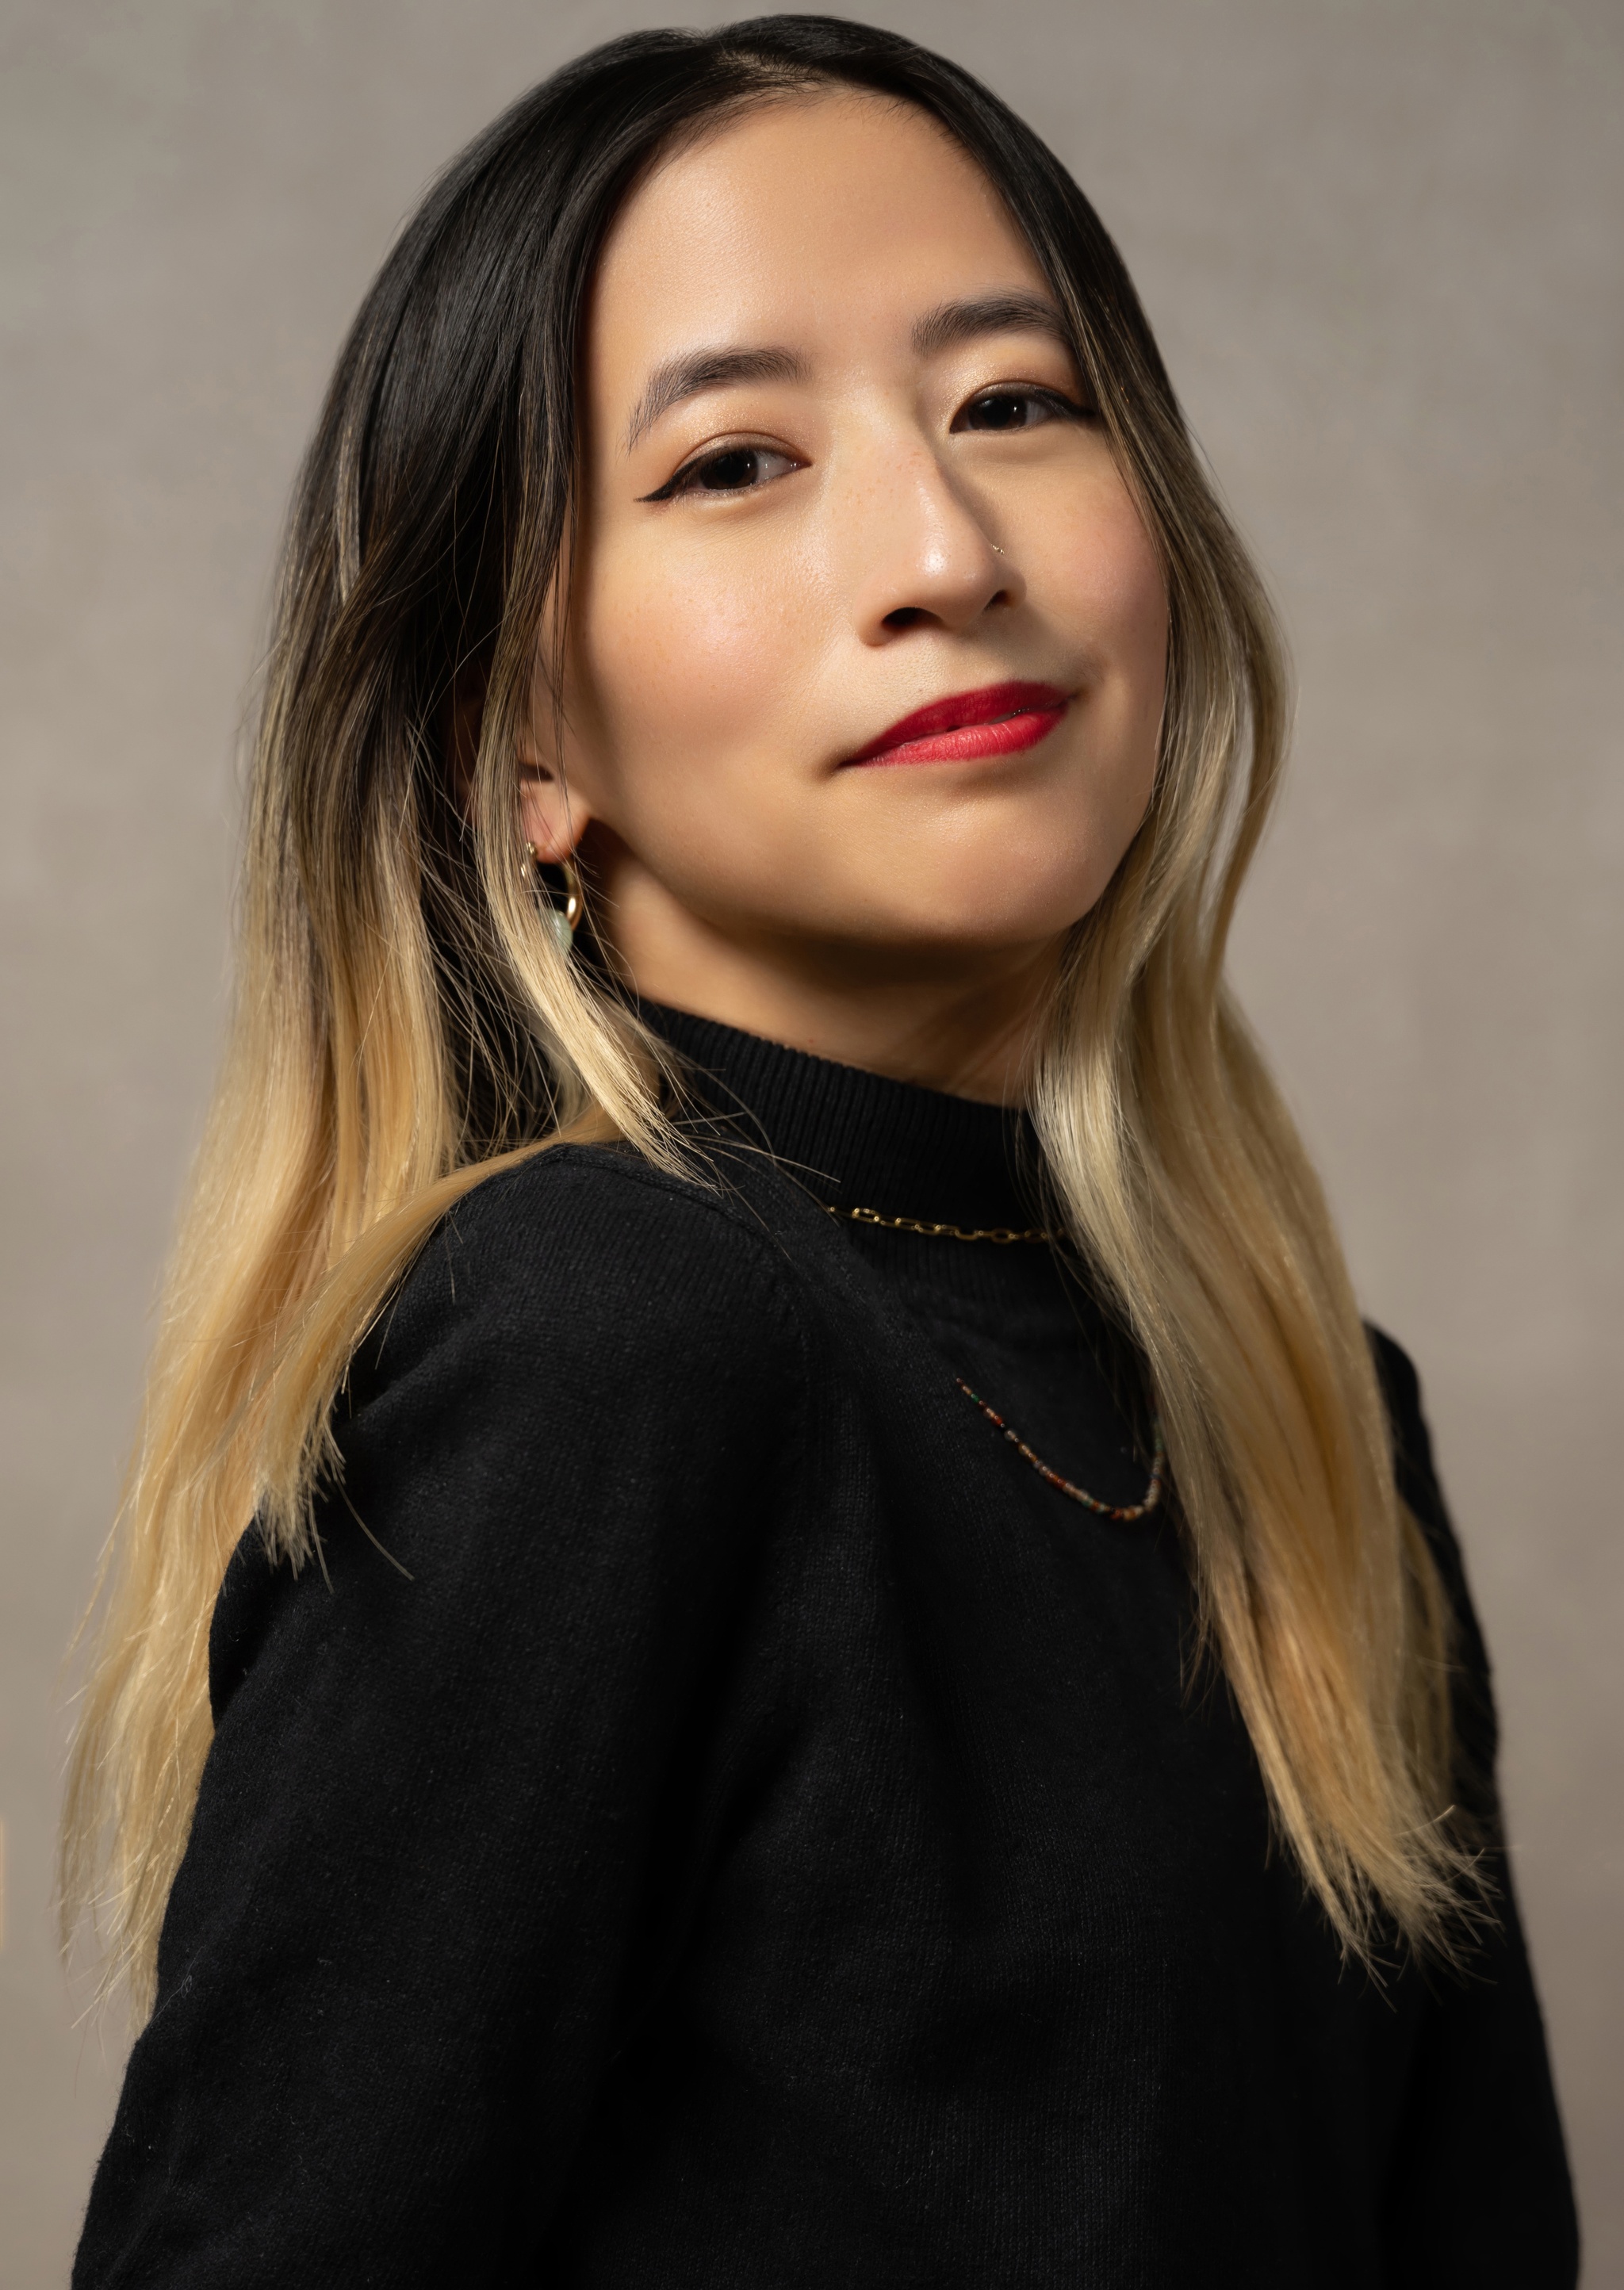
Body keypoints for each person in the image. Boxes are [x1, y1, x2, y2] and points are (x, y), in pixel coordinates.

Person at [62, 18, 1576, 2285]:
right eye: (737, 461)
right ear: (523, 740)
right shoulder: (597, 1338)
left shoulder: (1322, 1425)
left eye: (1013, 404)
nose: (947, 549)